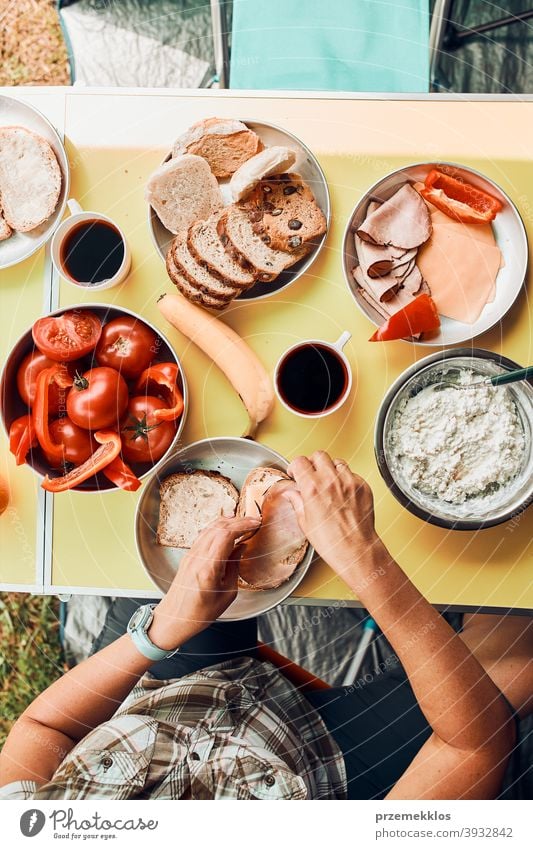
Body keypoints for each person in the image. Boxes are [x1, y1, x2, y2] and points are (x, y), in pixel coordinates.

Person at [0, 452, 531, 800]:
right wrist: (363, 557)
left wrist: (161, 631)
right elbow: (471, 747)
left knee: (156, 504)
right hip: (330, 764)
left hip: (169, 684)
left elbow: (46, 731)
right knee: (515, 656)